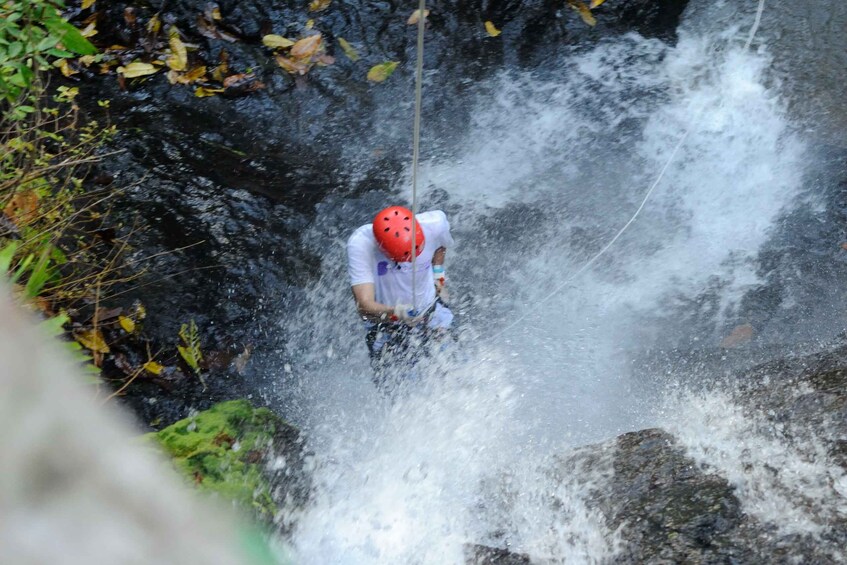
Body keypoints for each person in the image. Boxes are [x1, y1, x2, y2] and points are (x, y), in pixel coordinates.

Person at [347, 206, 454, 390]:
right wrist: (397, 313)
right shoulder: (361, 244)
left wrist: (439, 277)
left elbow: (440, 246)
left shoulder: (435, 223)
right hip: (388, 326)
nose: (412, 261)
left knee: (453, 372)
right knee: (398, 389)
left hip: (431, 313)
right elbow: (364, 306)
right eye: (405, 259)